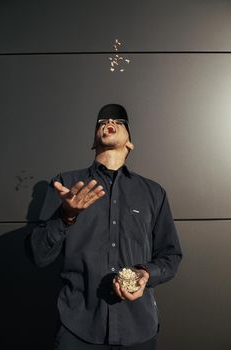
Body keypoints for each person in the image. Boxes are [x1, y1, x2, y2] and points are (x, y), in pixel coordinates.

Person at [30, 104, 182, 350]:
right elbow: (38, 255)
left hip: (139, 330)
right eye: (102, 121)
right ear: (93, 141)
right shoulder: (66, 184)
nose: (109, 121)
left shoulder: (153, 193)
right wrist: (66, 216)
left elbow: (171, 256)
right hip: (77, 329)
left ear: (130, 144)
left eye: (118, 121)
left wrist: (146, 274)